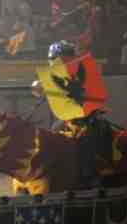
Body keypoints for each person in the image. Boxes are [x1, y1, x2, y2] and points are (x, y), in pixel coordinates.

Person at [34, 40, 113, 187]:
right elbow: (39, 87)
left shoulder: (80, 72)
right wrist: (41, 85)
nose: (58, 62)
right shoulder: (54, 77)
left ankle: (91, 173)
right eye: (54, 59)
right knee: (51, 136)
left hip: (86, 118)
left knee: (88, 136)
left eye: (63, 57)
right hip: (66, 119)